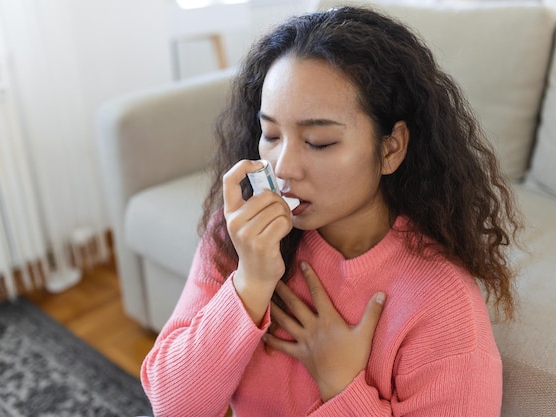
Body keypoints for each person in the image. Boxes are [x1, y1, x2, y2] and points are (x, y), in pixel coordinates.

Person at [141, 5, 521, 416]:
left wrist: (342, 384)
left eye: (319, 142)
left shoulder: (442, 305)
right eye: (270, 134)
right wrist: (249, 283)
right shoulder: (242, 234)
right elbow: (173, 406)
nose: (282, 167)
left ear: (391, 147)